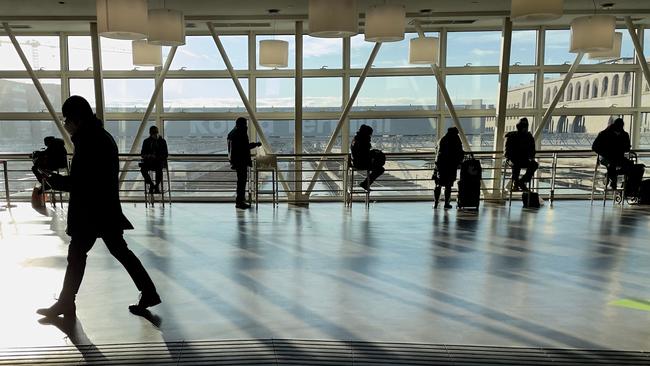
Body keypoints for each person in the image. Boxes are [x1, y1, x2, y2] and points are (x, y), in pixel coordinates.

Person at [37, 95, 160, 318]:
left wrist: (53, 180)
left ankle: (66, 303)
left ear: (77, 118)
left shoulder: (89, 142)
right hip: (104, 210)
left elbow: (82, 183)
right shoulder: (102, 137)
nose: (65, 124)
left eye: (67, 119)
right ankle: (148, 292)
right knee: (118, 251)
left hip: (90, 213)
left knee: (77, 255)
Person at [227, 117, 262, 209]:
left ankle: (240, 200)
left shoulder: (232, 133)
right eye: (245, 123)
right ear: (242, 124)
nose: (246, 125)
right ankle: (240, 202)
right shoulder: (240, 133)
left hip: (236, 161)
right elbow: (244, 147)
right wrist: (256, 144)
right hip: (241, 161)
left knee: (240, 182)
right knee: (242, 182)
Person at [592, 117, 633, 189]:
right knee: (614, 165)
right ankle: (614, 179)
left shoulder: (604, 134)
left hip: (612, 157)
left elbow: (595, 147)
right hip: (607, 157)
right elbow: (595, 147)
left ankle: (612, 178)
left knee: (628, 166)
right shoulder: (622, 135)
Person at [433, 127, 464, 209]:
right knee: (448, 186)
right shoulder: (456, 140)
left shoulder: (442, 139)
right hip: (450, 166)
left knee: (438, 184)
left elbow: (437, 151)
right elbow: (460, 152)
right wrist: (459, 162)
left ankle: (436, 203)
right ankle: (446, 203)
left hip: (439, 165)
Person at [504, 117, 538, 192]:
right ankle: (520, 182)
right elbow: (507, 152)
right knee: (518, 164)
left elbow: (532, 150)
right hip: (515, 159)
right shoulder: (527, 137)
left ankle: (519, 182)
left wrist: (531, 157)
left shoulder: (512, 136)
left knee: (533, 164)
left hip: (519, 159)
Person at [351, 124, 385, 191]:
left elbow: (361, 153)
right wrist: (374, 153)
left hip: (356, 162)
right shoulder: (363, 141)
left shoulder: (356, 139)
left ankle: (366, 183)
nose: (370, 136)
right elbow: (364, 154)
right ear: (366, 133)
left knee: (378, 168)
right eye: (370, 134)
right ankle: (365, 184)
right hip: (361, 163)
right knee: (380, 169)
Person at [139, 125, 168, 194]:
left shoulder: (146, 141)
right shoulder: (162, 141)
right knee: (158, 170)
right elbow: (165, 154)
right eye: (154, 133)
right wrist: (150, 156)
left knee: (144, 170)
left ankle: (152, 185)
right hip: (155, 162)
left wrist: (151, 156)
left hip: (156, 162)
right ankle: (156, 186)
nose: (155, 135)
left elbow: (142, 154)